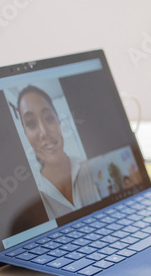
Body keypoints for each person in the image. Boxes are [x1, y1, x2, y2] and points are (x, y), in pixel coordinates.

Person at [17, 85, 102, 220]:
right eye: (31, 123)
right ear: (26, 134)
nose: (44, 132)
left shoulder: (92, 168)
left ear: (59, 122)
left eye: (49, 118)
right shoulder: (30, 196)